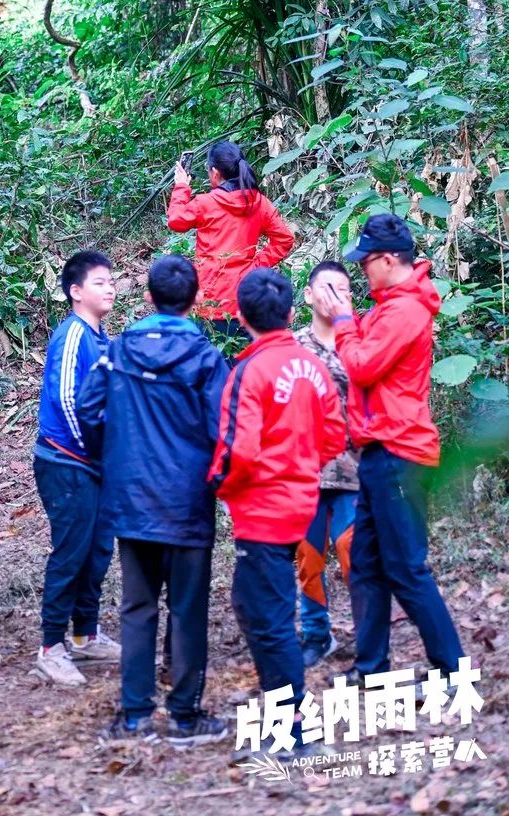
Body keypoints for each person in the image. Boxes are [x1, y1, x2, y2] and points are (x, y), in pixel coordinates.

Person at [77, 254, 230, 746]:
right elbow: (223, 426)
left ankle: (136, 716)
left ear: (148, 297)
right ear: (195, 300)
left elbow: (87, 407)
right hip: (187, 501)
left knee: (137, 607)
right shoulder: (207, 358)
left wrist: (115, 458)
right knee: (187, 608)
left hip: (134, 499)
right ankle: (184, 716)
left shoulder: (119, 349)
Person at [309, 212, 464, 683]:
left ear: (390, 259)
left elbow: (360, 365)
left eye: (367, 261)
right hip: (377, 453)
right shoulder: (388, 306)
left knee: (406, 568)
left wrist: (342, 320)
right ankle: (371, 667)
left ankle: (453, 669)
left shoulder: (405, 311)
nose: (361, 271)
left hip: (401, 454)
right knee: (369, 567)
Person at [209, 268, 346, 758]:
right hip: (299, 503)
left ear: (241, 316)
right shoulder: (311, 363)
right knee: (254, 605)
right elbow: (334, 436)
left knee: (267, 618)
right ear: (291, 312)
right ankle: (283, 719)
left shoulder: (249, 371)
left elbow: (238, 451)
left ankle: (295, 731)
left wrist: (219, 486)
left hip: (263, 511)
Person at [32, 249, 120, 688]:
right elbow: (68, 400)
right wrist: (92, 451)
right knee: (71, 552)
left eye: (112, 280)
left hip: (96, 463)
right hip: (67, 462)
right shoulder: (72, 336)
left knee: (98, 549)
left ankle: (85, 635)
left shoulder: (103, 338)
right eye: (100, 281)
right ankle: (51, 647)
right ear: (75, 291)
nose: (110, 287)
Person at [167, 140, 295, 354]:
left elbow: (176, 220)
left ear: (215, 172)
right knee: (245, 364)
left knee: (211, 367)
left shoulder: (206, 203)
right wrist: (254, 267)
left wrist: (181, 186)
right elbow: (284, 239)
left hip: (211, 301)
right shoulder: (259, 202)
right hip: (247, 299)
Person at [295, 259, 359, 669]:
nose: (337, 296)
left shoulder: (359, 341)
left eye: (345, 289)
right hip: (306, 470)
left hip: (356, 466)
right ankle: (317, 634)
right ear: (308, 295)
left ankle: (370, 635)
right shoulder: (292, 345)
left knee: (355, 550)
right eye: (328, 288)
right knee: (309, 554)